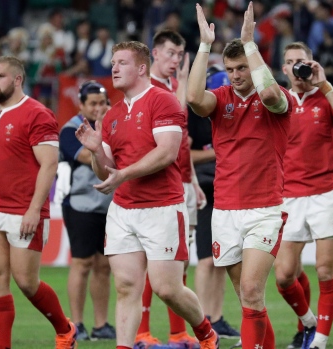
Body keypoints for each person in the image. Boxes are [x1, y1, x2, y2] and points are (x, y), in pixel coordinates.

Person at [74, 41, 218, 349]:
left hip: (162, 207)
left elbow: (166, 153)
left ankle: (206, 333)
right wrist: (97, 150)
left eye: (122, 62)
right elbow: (106, 172)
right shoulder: (111, 115)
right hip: (123, 209)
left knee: (168, 288)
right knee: (126, 287)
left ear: (141, 68)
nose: (113, 68)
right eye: (112, 62)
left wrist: (123, 174)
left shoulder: (162, 101)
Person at [187, 3, 292, 348]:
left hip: (264, 209)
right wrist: (205, 45)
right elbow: (192, 99)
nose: (235, 75)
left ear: (254, 64)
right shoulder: (220, 99)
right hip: (226, 210)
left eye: (242, 68)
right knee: (249, 299)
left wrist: (250, 43)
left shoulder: (277, 99)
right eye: (230, 69)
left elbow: (271, 94)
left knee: (250, 290)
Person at [0, 55, 77, 349]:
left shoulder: (38, 114)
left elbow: (49, 165)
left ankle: (65, 329)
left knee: (26, 282)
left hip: (25, 211)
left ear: (18, 79)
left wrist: (34, 209)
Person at [275, 41, 333, 349]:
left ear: (312, 64)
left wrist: (324, 84)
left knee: (325, 269)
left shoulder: (328, 96)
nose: (297, 67)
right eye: (291, 62)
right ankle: (310, 322)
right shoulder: (278, 101)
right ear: (283, 69)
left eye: (302, 61)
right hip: (287, 197)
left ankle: (320, 340)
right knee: (285, 275)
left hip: (324, 193)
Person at [134, 28, 211, 348]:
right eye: (170, 53)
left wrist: (193, 180)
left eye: (179, 55)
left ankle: (178, 332)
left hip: (183, 184)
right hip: (156, 188)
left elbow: (182, 141)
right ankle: (141, 332)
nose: (175, 61)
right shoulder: (145, 89)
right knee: (152, 262)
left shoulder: (176, 86)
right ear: (154, 53)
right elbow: (167, 128)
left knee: (178, 260)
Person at [59, 80, 115, 341]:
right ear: (81, 105)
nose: (98, 108)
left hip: (109, 205)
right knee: (82, 263)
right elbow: (86, 156)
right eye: (92, 103)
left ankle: (101, 324)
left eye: (102, 102)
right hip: (80, 204)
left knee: (104, 265)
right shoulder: (71, 130)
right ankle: (77, 324)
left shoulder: (113, 125)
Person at [189, 65, 241, 340]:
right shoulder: (194, 114)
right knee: (206, 259)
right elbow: (185, 153)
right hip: (205, 189)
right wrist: (215, 152)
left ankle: (217, 317)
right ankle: (203, 318)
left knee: (224, 259)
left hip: (228, 187)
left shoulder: (229, 113)